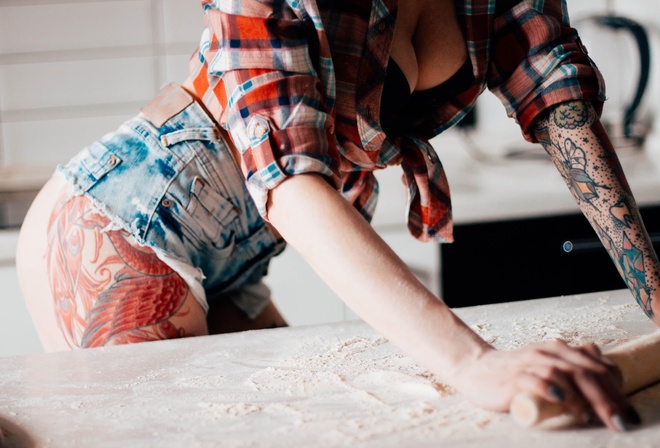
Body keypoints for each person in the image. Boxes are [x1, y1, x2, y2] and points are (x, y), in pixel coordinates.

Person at [15, 0, 659, 432]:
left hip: (240, 255)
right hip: (124, 229)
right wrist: (473, 363)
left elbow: (558, 102)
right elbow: (288, 181)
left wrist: (659, 303)